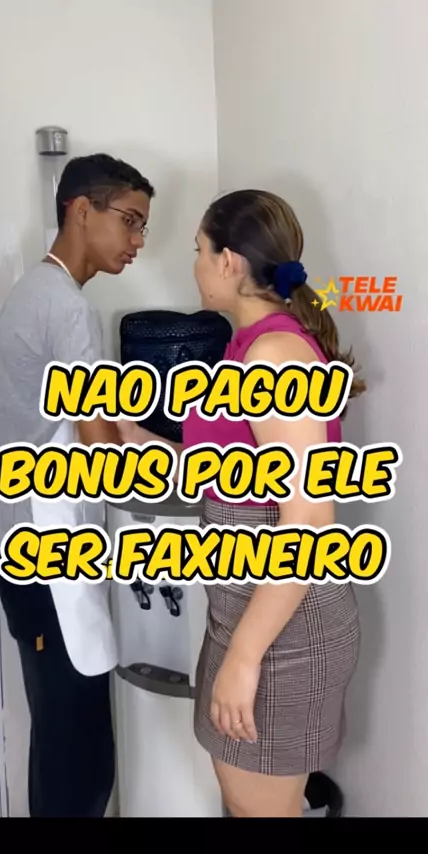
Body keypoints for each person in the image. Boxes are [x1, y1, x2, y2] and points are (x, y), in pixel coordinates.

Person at [119, 189, 364, 818]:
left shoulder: (276, 357)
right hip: (243, 615)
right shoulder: (245, 346)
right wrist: (138, 437)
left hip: (284, 632)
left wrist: (245, 659)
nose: (194, 265)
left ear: (228, 261)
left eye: (198, 251)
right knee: (241, 801)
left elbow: (308, 525)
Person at [0, 152, 155, 817]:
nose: (138, 241)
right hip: (51, 558)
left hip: (16, 550)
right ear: (82, 210)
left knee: (56, 738)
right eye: (130, 221)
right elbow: (99, 450)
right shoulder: (71, 309)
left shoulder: (29, 294)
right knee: (80, 760)